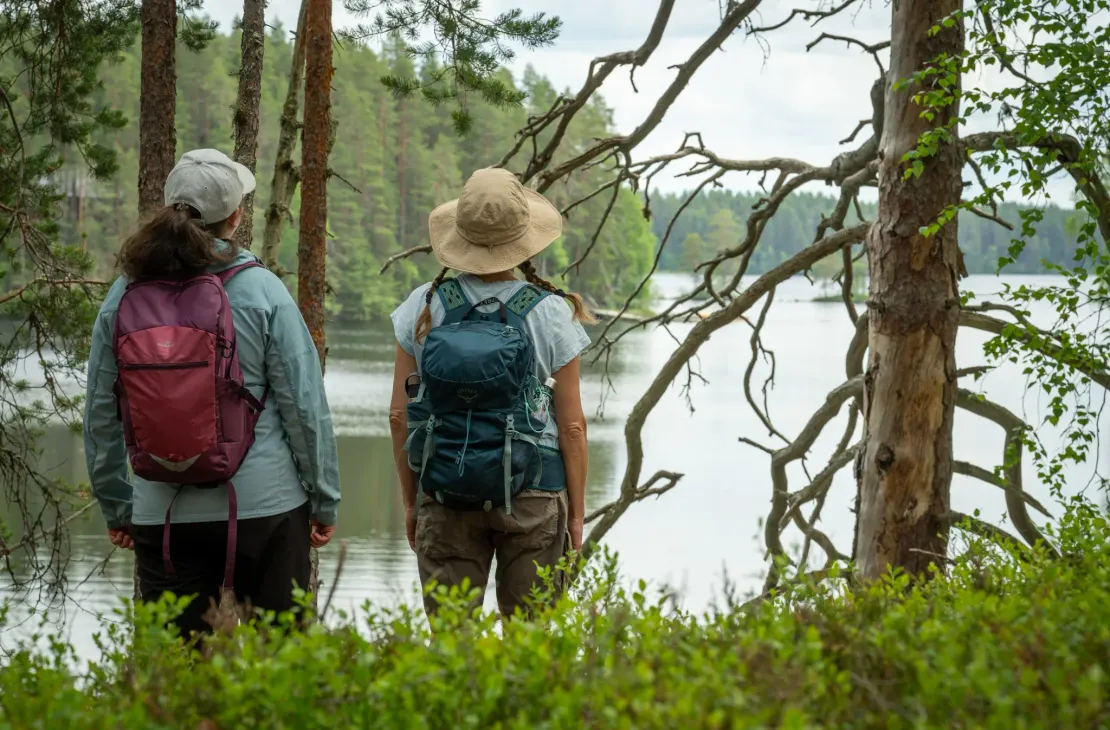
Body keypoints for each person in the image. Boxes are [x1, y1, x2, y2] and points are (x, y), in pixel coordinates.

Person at [84, 149, 340, 638]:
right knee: (282, 663)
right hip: (265, 508)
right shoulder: (263, 289)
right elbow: (305, 407)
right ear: (236, 216)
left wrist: (118, 506)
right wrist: (323, 499)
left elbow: (100, 413)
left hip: (163, 513)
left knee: (178, 673)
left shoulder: (123, 295)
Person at [388, 167, 593, 619]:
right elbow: (573, 426)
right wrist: (577, 515)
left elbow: (400, 418)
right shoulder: (552, 312)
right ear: (523, 237)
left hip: (445, 490)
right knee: (528, 644)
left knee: (452, 647)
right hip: (535, 493)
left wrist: (412, 501)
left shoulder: (425, 305)